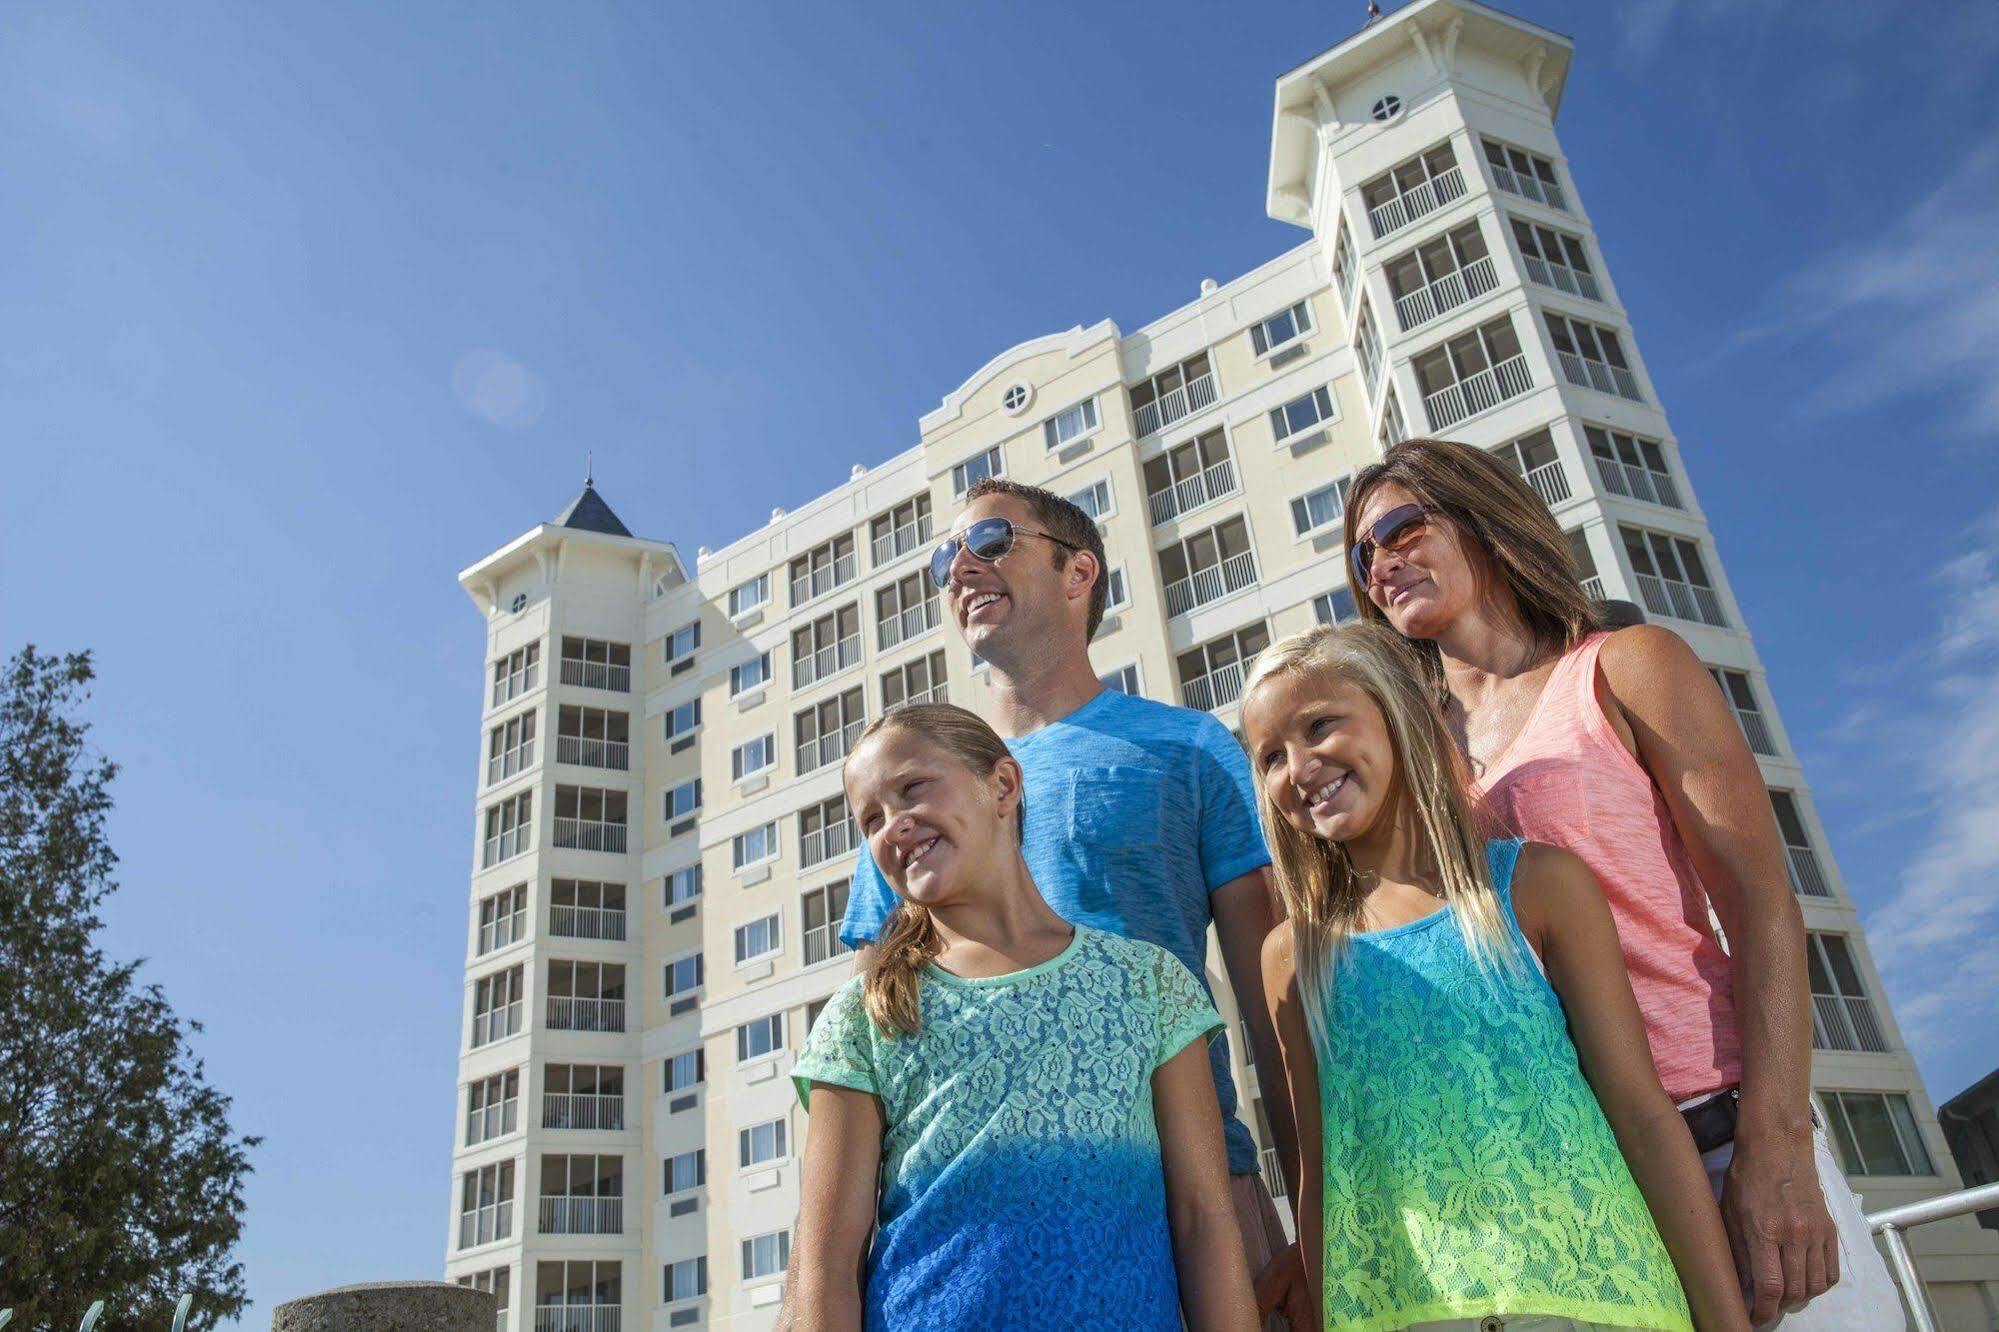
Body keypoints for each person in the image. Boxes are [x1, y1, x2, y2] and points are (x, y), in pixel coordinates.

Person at [1343, 438, 1902, 1328]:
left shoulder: (1623, 665)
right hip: (1570, 1176)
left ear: (1482, 520)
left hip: (1714, 1127)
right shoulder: (1411, 756)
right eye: (1363, 554)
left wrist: (1778, 1145)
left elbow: (1761, 909)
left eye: (1402, 528)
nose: (1380, 562)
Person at [836, 478, 1307, 1326]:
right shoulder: (914, 801)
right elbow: (873, 1035)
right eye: (945, 559)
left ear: (1077, 571)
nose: (959, 571)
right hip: (966, 1217)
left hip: (1192, 1192)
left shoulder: (1190, 748)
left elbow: (1274, 1002)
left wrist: (1313, 1209)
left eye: (987, 543)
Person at [1245, 622, 1750, 1332]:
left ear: (1394, 714)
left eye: (1319, 725)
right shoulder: (1291, 960)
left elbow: (1640, 1114)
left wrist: (1722, 1320)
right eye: (1269, 757)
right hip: (1411, 1314)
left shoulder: (1538, 886)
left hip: (1602, 1300)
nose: (1296, 768)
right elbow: (1323, 1176)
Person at [789, 703, 1259, 1329]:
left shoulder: (1152, 986)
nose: (892, 825)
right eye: (870, 818)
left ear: (1003, 785)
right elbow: (826, 1264)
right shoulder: (866, 1015)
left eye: (912, 790)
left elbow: (1204, 1221)